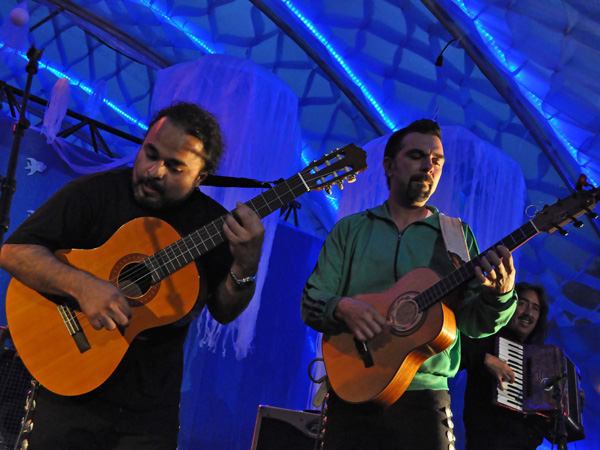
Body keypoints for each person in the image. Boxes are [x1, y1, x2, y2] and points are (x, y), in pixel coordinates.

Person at [0, 102, 265, 449]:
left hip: (150, 411)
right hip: (69, 388)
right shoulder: (97, 193)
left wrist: (246, 266)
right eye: (149, 154)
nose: (154, 171)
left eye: (174, 167)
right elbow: (14, 251)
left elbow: (225, 310)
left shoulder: (212, 225)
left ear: (200, 178)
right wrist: (82, 286)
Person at [301, 119, 518, 450]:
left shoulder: (457, 237)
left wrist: (500, 296)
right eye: (417, 156)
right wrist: (343, 307)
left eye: (437, 161)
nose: (428, 167)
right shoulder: (351, 230)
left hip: (425, 398)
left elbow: (475, 325)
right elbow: (312, 300)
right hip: (352, 389)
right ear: (389, 166)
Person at [460, 282, 549, 450]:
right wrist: (485, 359)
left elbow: (542, 418)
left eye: (535, 308)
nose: (529, 313)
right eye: (522, 303)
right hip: (487, 442)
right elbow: (455, 350)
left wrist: (566, 401)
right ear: (510, 305)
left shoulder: (539, 360)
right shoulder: (487, 334)